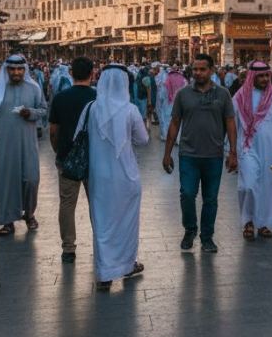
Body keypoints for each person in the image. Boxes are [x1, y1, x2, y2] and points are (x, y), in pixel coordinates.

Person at [79, 64, 149, 291]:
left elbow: (77, 136)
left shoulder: (90, 108)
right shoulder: (130, 110)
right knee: (126, 223)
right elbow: (144, 140)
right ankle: (126, 264)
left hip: (99, 177)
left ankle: (105, 273)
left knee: (102, 224)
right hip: (126, 176)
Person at [162, 53, 237, 253]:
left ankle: (207, 237)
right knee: (187, 194)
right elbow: (175, 123)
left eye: (202, 69)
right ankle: (190, 230)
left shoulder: (223, 94)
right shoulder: (183, 94)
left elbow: (230, 123)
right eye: (195, 69)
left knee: (210, 198)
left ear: (211, 70)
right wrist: (167, 153)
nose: (198, 72)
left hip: (214, 155)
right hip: (188, 155)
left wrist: (233, 153)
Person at [0, 53, 48, 236]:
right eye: (13, 69)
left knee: (31, 179)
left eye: (20, 69)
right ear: (7, 70)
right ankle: (7, 221)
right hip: (4, 143)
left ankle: (29, 214)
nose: (16, 72)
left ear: (25, 70)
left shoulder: (34, 88)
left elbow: (44, 110)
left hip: (27, 142)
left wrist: (30, 112)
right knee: (6, 181)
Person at [233, 60, 272, 240]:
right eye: (261, 76)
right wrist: (231, 152)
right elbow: (232, 126)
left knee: (267, 186)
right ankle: (248, 221)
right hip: (247, 147)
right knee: (248, 185)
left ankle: (263, 223)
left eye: (267, 75)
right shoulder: (239, 97)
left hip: (270, 149)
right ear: (252, 77)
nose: (266, 79)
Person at [48, 56, 97, 263]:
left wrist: (59, 152)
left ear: (71, 73)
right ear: (92, 74)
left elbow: (53, 131)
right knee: (96, 203)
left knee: (67, 203)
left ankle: (68, 247)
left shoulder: (60, 98)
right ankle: (100, 242)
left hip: (67, 158)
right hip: (94, 160)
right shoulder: (98, 97)